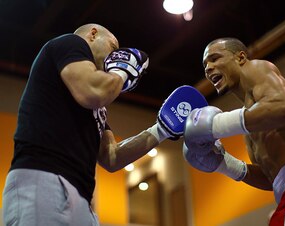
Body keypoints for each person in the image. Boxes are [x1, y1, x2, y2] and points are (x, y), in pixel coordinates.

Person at [2, 23, 175, 226]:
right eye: (113, 48)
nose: (115, 57)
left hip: (81, 196)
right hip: (45, 177)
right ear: (93, 34)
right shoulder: (70, 43)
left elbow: (111, 157)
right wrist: (123, 71)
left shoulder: (97, 108)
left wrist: (161, 130)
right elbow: (93, 92)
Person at [183, 37, 285, 225]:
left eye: (215, 58)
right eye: (205, 64)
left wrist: (216, 125)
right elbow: (271, 178)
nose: (208, 68)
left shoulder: (258, 68)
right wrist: (223, 164)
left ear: (240, 58)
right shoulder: (249, 120)